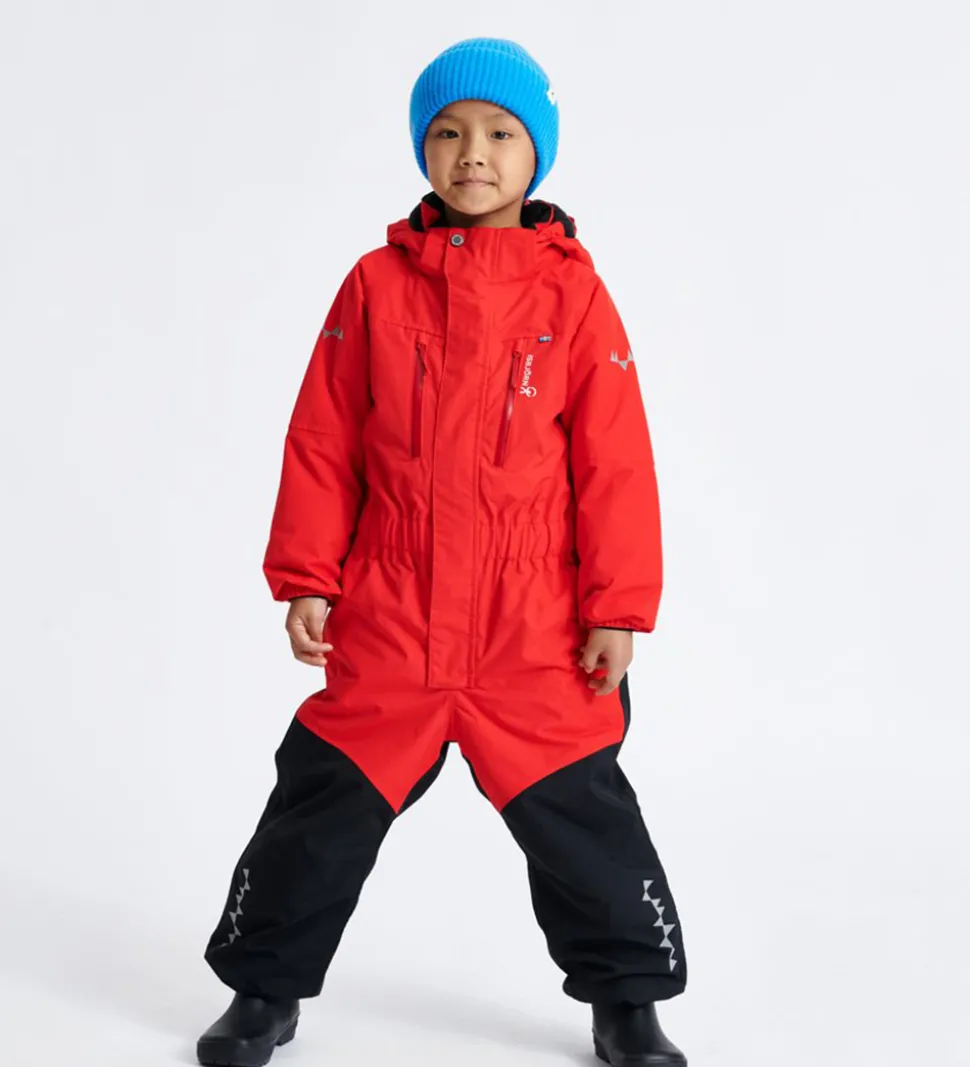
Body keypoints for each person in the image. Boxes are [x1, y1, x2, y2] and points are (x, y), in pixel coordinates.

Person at [196, 36, 689, 1067]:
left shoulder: (572, 297)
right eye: (449, 132)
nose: (474, 153)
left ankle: (627, 1003)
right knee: (320, 808)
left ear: (537, 154)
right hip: (394, 612)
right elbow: (325, 438)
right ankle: (263, 988)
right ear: (422, 149)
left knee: (584, 823)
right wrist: (308, 576)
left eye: (501, 134)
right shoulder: (374, 285)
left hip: (533, 627)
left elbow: (614, 462)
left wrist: (616, 607)